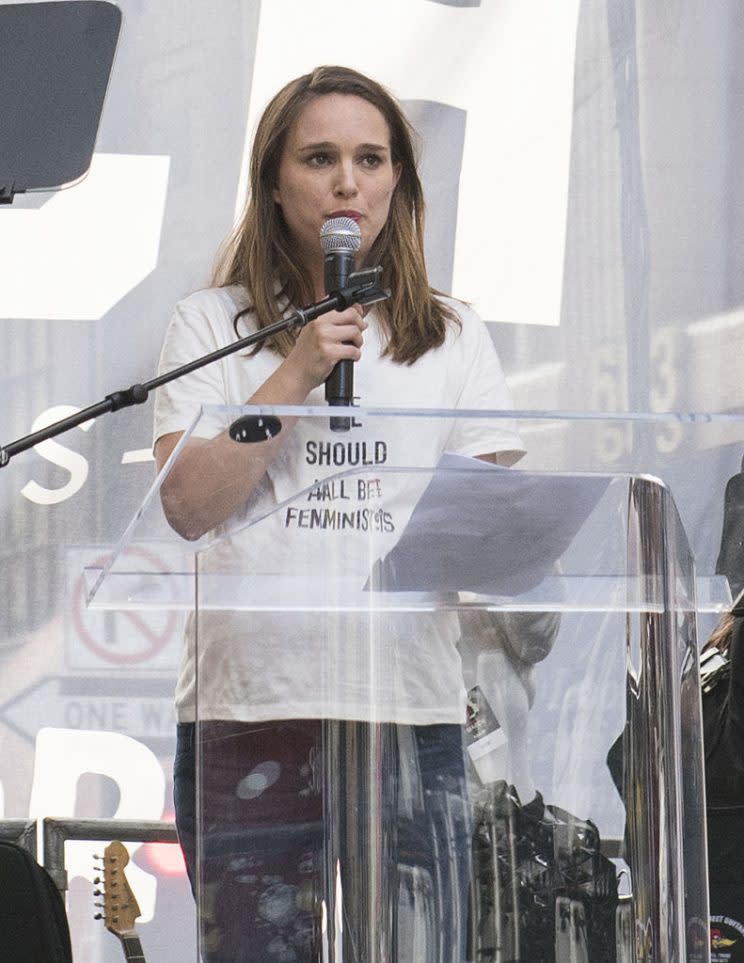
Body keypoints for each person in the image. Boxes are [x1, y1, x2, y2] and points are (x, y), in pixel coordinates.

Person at [153, 65, 526, 963]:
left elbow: (497, 529)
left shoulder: (452, 334)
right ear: (275, 180)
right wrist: (292, 376)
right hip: (254, 715)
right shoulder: (213, 327)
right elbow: (188, 505)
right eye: (319, 157)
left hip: (409, 713)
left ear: (399, 182)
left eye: (370, 158)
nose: (347, 182)